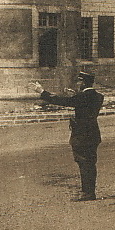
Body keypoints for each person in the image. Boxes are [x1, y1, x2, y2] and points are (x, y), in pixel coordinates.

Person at [29, 72, 104, 201]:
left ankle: (87, 194)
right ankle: (89, 191)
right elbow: (82, 103)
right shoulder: (98, 96)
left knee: (83, 163)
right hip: (93, 134)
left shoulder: (81, 97)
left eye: (78, 82)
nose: (76, 84)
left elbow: (61, 101)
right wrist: (75, 95)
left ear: (83, 83)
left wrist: (42, 91)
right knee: (90, 163)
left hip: (81, 135)